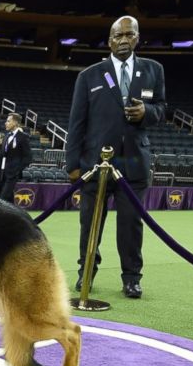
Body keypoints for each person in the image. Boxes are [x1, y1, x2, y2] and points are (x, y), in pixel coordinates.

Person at [65, 15, 166, 298]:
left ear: (137, 37)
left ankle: (131, 277)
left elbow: (161, 108)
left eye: (129, 35)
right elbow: (76, 123)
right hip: (95, 165)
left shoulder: (153, 70)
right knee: (90, 224)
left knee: (131, 225)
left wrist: (148, 113)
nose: (123, 40)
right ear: (109, 41)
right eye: (117, 36)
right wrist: (72, 164)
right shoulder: (89, 76)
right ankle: (87, 269)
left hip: (133, 163)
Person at [0, 113, 32, 203]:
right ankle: (15, 216)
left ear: (15, 123)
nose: (5, 123)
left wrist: (17, 170)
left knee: (2, 198)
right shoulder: (6, 136)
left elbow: (28, 157)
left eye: (8, 121)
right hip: (2, 173)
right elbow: (1, 157)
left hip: (12, 174)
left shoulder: (23, 137)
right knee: (9, 199)